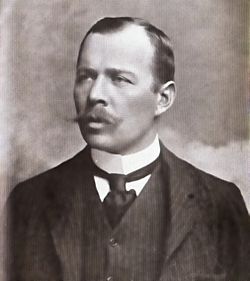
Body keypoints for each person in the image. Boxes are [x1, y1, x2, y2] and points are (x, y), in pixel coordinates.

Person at [6, 17, 250, 281]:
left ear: (163, 99)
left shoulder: (221, 206)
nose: (95, 94)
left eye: (119, 79)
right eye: (85, 77)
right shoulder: (26, 204)